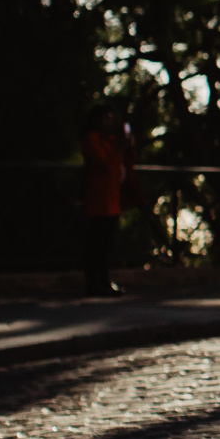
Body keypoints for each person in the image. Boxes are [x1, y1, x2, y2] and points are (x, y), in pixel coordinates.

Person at [81, 103, 133, 297]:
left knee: (105, 245)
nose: (109, 123)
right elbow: (101, 161)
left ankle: (103, 281)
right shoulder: (92, 139)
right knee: (95, 244)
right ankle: (94, 283)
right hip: (97, 199)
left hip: (111, 199)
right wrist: (119, 148)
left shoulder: (110, 140)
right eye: (106, 119)